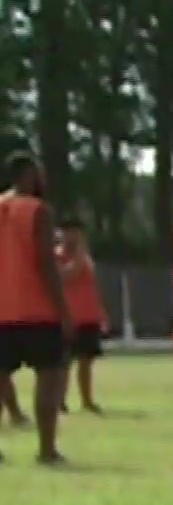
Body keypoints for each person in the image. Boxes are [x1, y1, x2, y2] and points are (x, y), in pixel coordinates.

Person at [0, 151, 71, 464]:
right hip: (36, 310)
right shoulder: (38, 210)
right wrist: (63, 309)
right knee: (50, 377)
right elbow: (45, 263)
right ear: (29, 175)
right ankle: (46, 449)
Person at [57, 218, 106, 414]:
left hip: (88, 316)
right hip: (68, 316)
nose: (74, 236)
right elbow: (69, 274)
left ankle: (87, 400)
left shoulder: (85, 258)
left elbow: (91, 285)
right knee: (63, 363)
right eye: (69, 231)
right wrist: (79, 252)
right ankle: (59, 400)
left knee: (86, 361)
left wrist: (101, 313)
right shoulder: (57, 256)